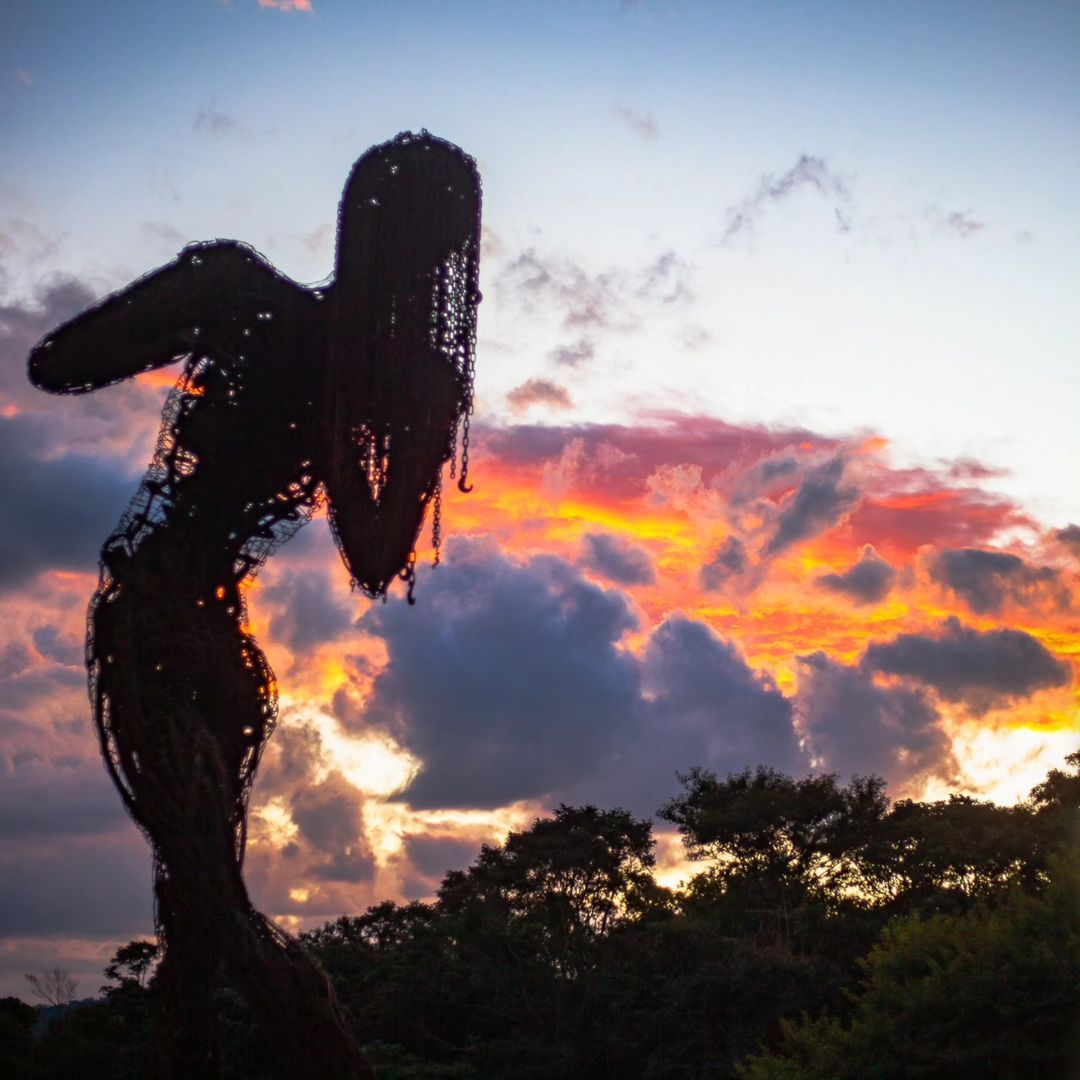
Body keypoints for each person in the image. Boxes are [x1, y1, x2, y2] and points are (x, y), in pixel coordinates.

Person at [28, 130, 481, 1078]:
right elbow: (375, 555)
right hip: (207, 642)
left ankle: (313, 1050)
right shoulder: (352, 355)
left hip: (164, 612)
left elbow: (61, 362)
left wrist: (210, 306)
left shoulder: (262, 308)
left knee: (205, 903)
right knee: (197, 907)